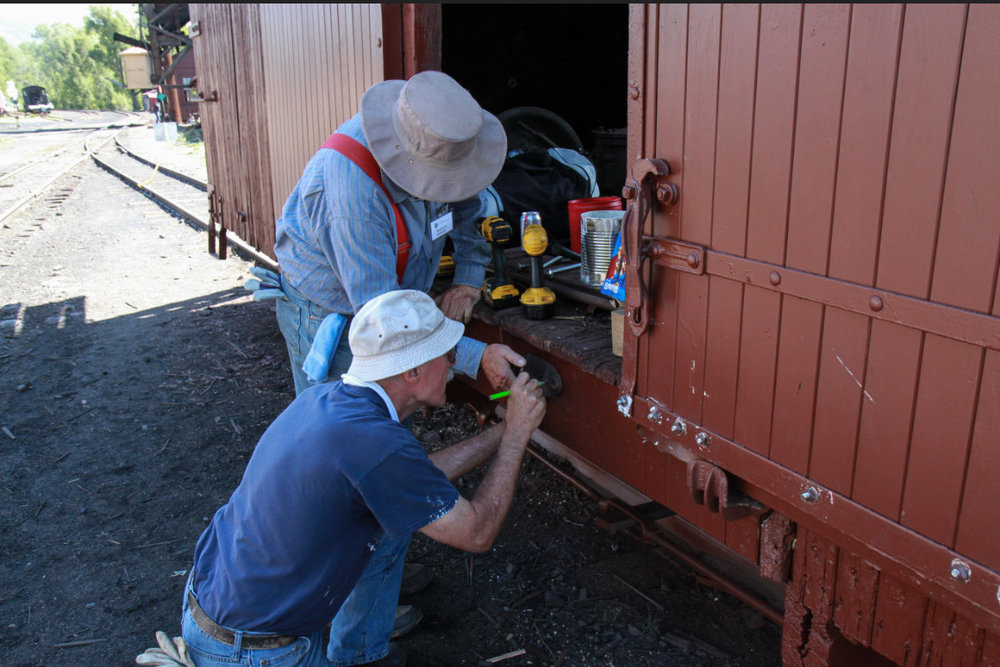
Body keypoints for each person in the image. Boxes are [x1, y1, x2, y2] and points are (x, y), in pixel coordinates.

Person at [179, 290, 546, 666]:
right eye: (448, 355)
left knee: (396, 522)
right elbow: (477, 532)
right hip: (255, 650)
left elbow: (413, 482)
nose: (453, 368)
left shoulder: (325, 400)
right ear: (413, 372)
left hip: (215, 606)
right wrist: (517, 437)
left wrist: (502, 430)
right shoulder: (373, 443)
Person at [269, 70, 522, 396]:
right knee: (354, 427)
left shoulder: (442, 139)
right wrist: (476, 356)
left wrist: (468, 279)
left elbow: (467, 207)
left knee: (394, 413)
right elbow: (384, 320)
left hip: (391, 296)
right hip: (335, 310)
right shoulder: (355, 199)